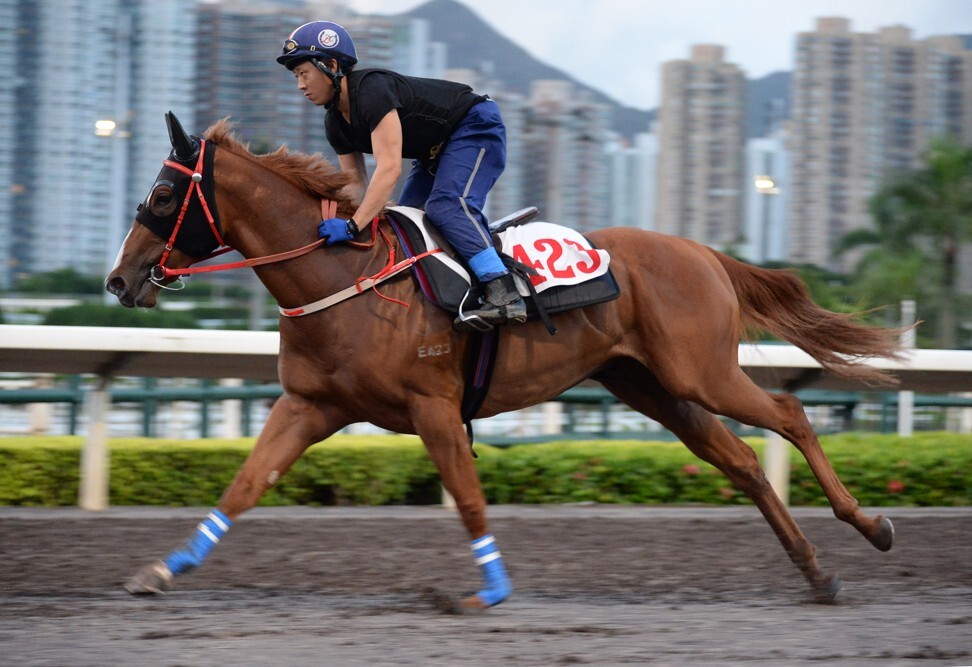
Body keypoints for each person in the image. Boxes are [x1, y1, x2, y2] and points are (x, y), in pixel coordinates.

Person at [277, 20, 526, 329]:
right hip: (434, 150)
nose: (300, 85)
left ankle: (504, 292)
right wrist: (344, 223)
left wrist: (354, 226)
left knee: (447, 206)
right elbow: (355, 183)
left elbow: (390, 168)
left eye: (303, 74)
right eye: (296, 77)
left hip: (474, 126)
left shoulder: (371, 91)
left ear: (329, 65)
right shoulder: (334, 124)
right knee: (402, 223)